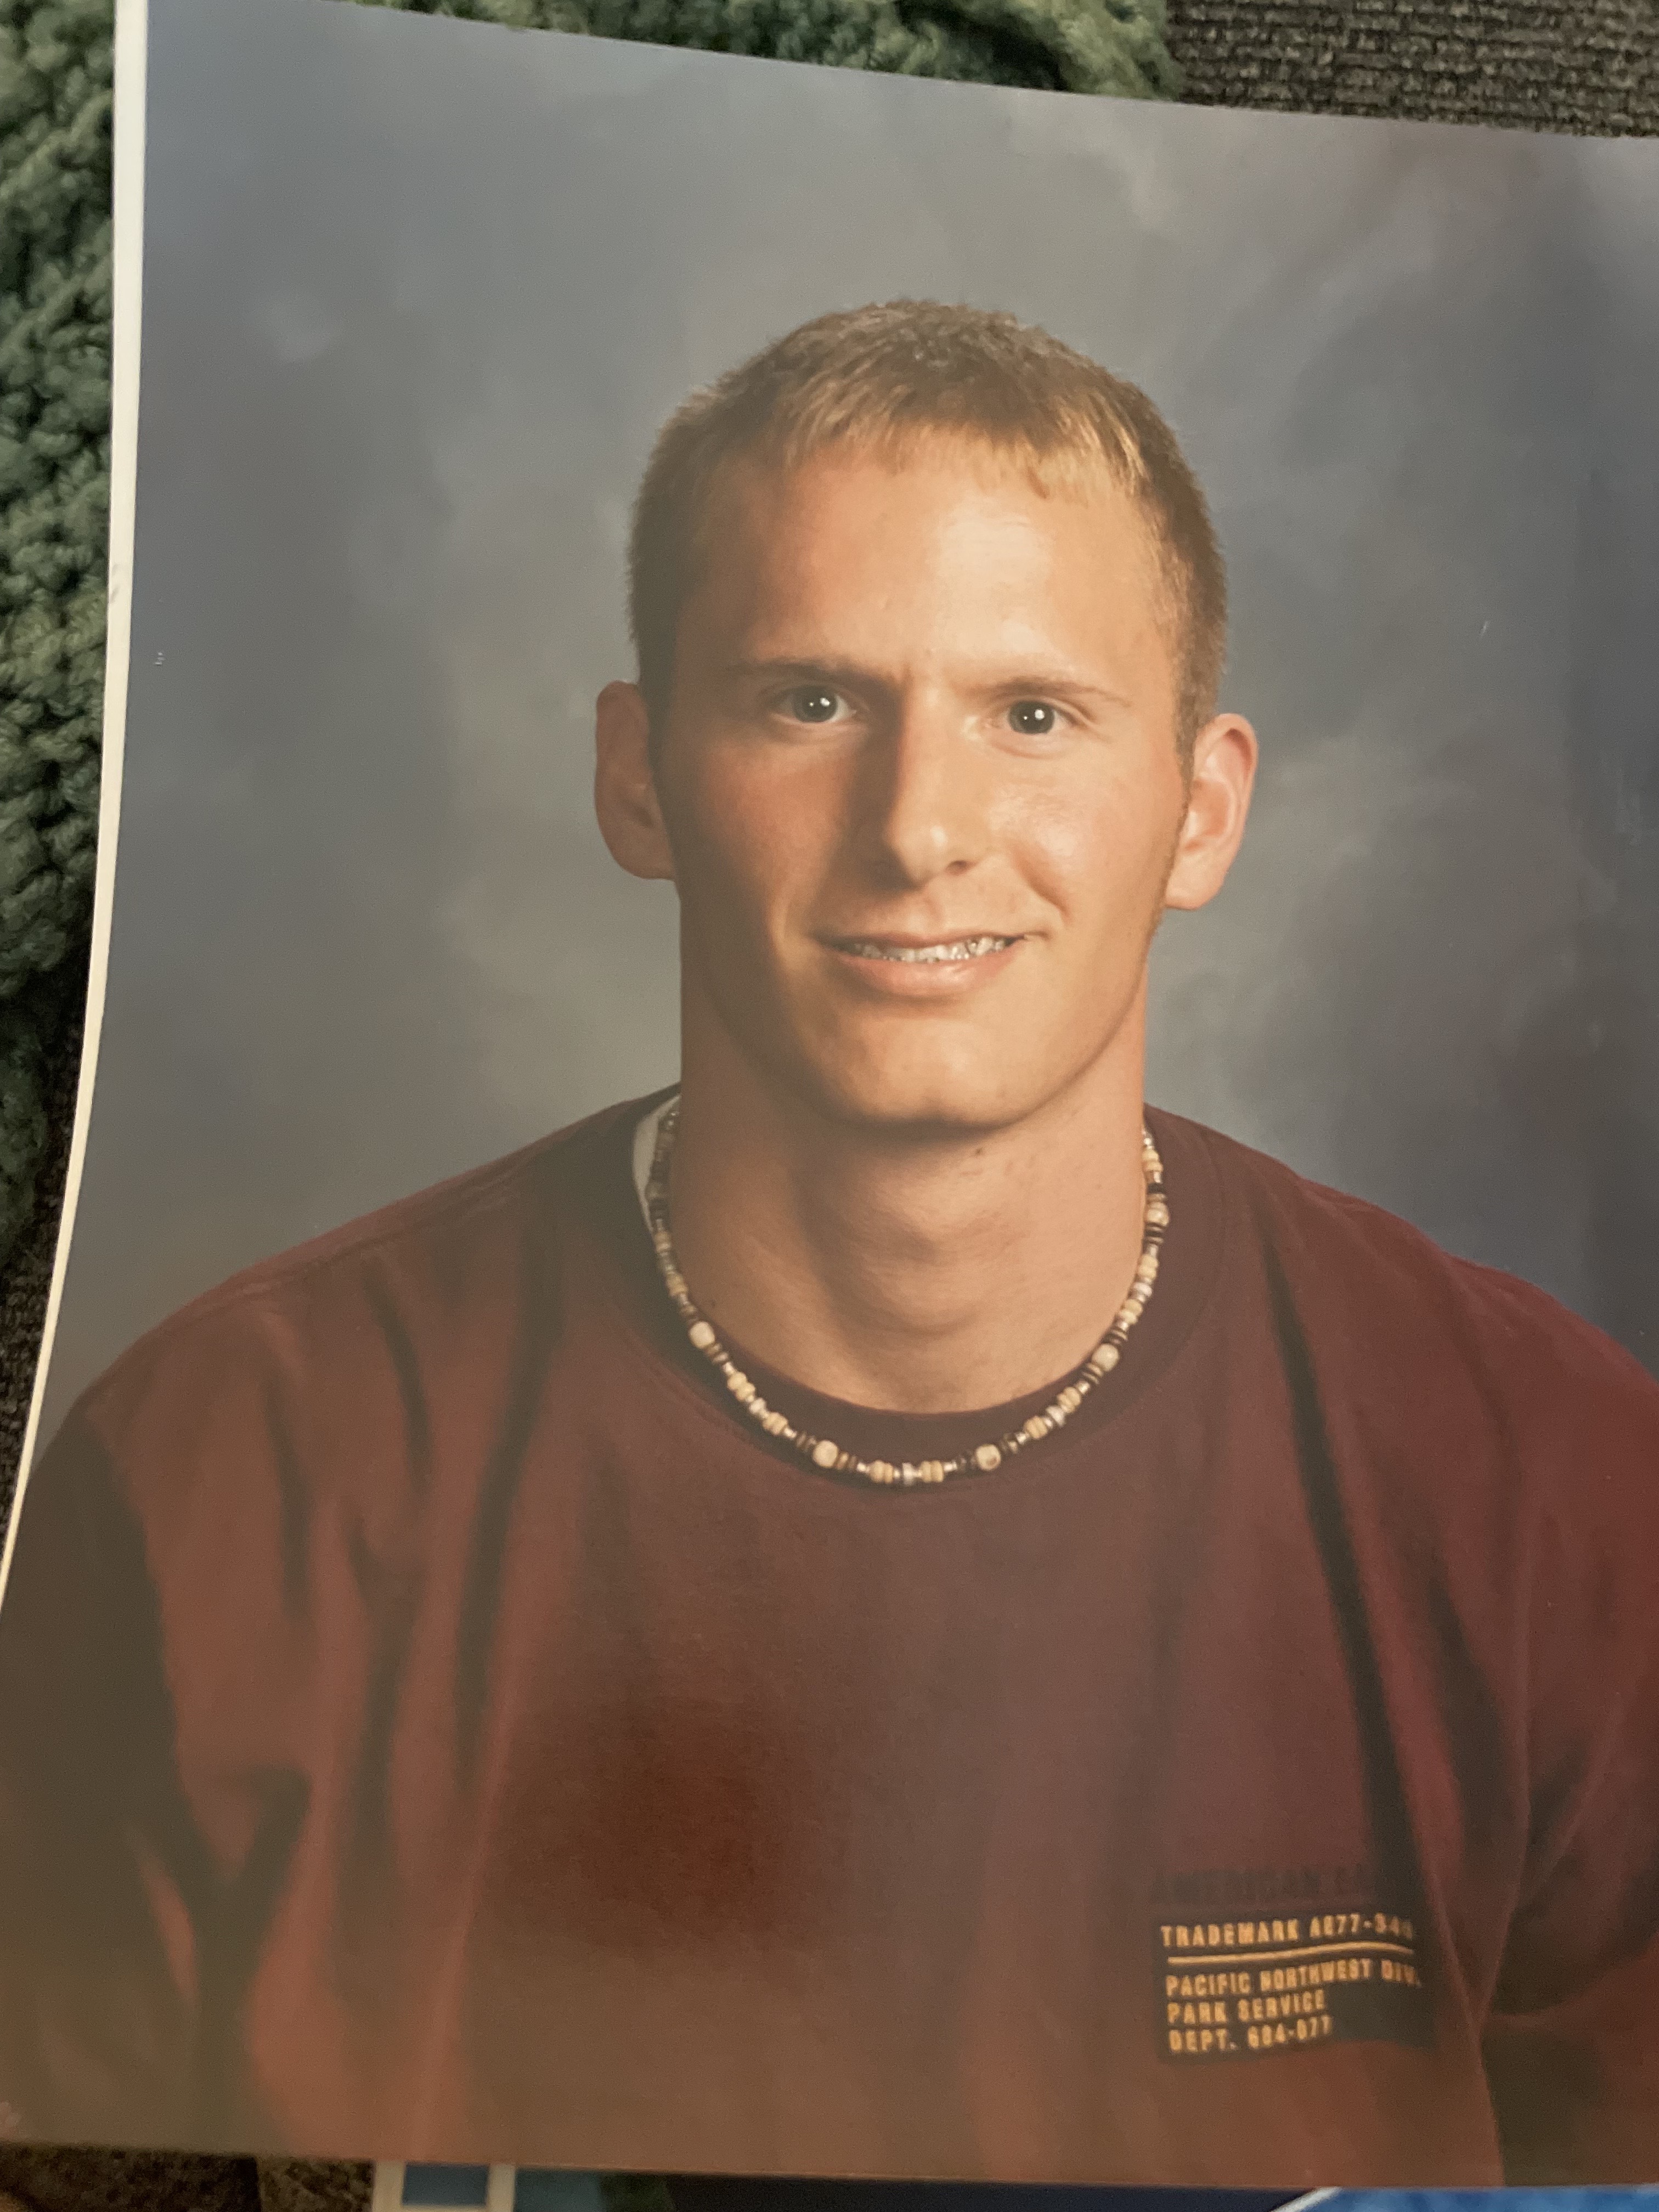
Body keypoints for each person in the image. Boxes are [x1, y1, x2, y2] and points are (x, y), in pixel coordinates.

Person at [0, 301, 1655, 2194]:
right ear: (638, 777)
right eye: (810, 702)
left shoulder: (1558, 1486)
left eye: (1032, 717)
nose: (919, 827)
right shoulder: (236, 1473)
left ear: (1199, 812)